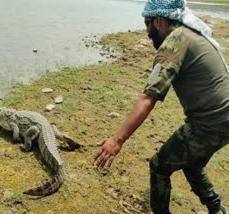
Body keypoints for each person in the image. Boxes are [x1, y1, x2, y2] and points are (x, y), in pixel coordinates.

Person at [94, 0, 229, 213]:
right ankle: (216, 209)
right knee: (191, 162)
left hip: (211, 122)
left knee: (159, 166)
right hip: (222, 119)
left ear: (159, 21)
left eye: (147, 24)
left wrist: (116, 140)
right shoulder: (189, 34)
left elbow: (148, 98)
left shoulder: (175, 41)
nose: (147, 32)